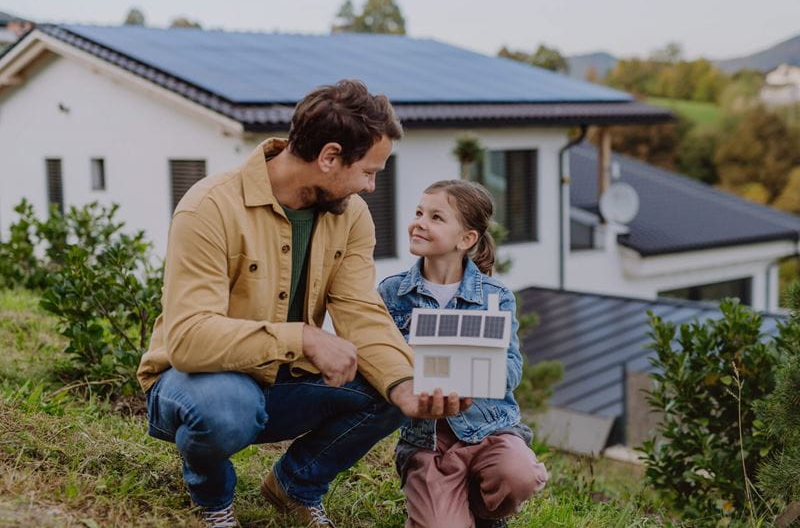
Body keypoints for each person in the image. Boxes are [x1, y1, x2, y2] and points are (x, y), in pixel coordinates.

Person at [136, 80, 469, 528]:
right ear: (330, 157)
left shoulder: (350, 217)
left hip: (280, 382)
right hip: (194, 384)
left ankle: (294, 486)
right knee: (228, 405)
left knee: (388, 381)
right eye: (369, 172)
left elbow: (359, 311)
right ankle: (213, 498)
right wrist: (304, 337)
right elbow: (189, 341)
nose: (371, 187)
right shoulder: (210, 206)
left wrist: (404, 383)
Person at [378, 180, 550, 528]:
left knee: (520, 475)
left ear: (466, 239)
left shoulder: (495, 296)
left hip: (490, 429)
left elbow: (513, 366)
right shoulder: (392, 292)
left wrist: (475, 371)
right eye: (419, 213)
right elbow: (380, 361)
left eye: (436, 217)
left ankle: (485, 512)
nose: (420, 223)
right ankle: (449, 502)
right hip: (429, 440)